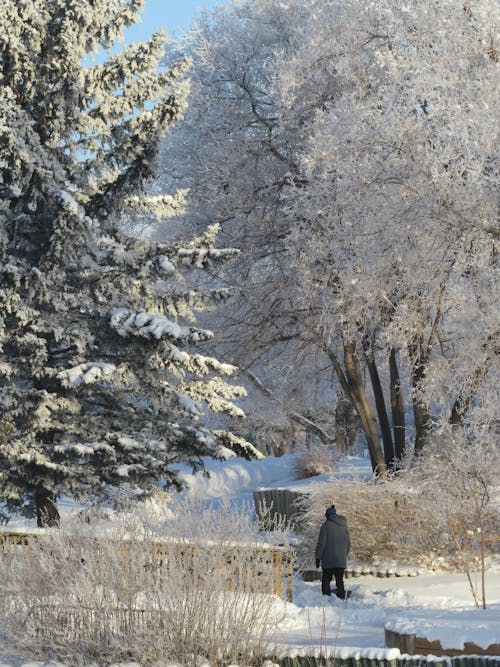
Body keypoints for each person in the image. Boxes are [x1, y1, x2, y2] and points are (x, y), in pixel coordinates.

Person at [315, 504, 350, 599]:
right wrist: (343, 555)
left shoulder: (325, 526)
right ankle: (342, 598)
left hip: (328, 560)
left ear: (327, 516)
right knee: (339, 581)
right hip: (340, 560)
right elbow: (348, 544)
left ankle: (326, 599)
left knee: (326, 580)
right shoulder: (344, 526)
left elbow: (321, 544)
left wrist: (318, 557)